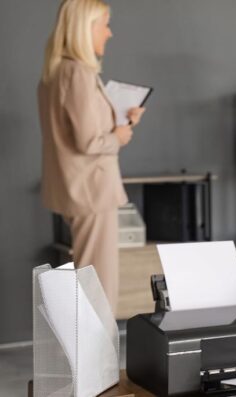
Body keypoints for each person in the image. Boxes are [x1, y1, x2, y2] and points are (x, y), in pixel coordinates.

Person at [38, 0, 145, 314]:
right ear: (86, 28)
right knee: (98, 285)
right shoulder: (79, 73)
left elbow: (71, 132)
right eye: (105, 24)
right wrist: (120, 136)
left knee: (88, 279)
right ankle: (97, 361)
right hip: (92, 190)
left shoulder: (53, 73)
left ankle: (90, 359)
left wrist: (120, 121)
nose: (109, 33)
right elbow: (89, 141)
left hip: (73, 187)